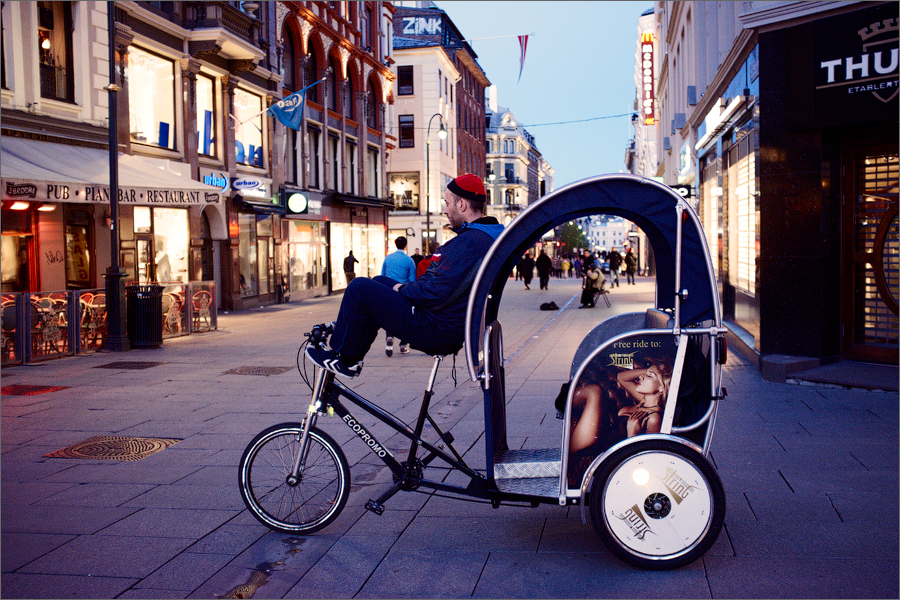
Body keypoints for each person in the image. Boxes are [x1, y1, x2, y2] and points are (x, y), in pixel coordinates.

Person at [306, 174, 503, 378]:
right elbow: (439, 282)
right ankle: (351, 336)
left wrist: (402, 288)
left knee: (358, 287)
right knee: (378, 282)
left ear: (462, 204)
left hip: (436, 329)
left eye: (447, 202)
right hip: (448, 322)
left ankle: (345, 359)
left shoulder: (470, 242)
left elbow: (435, 291)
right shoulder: (482, 237)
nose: (445, 209)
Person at [617, 352, 673, 437]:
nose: (640, 377)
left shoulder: (654, 419)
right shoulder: (643, 400)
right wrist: (650, 370)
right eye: (644, 374)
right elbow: (621, 377)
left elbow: (647, 450)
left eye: (649, 376)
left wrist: (633, 435)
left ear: (662, 387)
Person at [381, 236, 417, 356]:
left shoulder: (388, 258)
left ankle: (389, 338)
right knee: (405, 317)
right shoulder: (409, 260)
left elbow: (383, 275)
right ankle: (403, 344)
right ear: (405, 246)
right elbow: (412, 279)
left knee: (389, 316)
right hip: (403, 292)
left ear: (395, 244)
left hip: (388, 291)